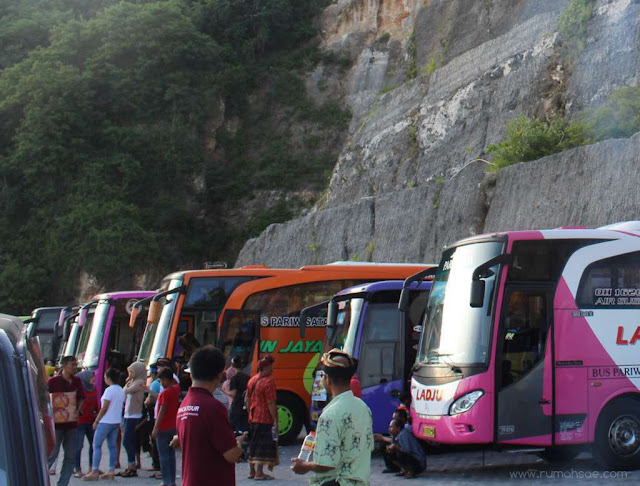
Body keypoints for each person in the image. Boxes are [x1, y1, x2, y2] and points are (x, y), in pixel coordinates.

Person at [291, 349, 373, 486]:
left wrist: (305, 466)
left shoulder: (329, 415)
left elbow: (326, 464)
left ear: (327, 379)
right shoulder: (364, 408)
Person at [176, 345, 246, 486]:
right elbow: (231, 454)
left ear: (191, 374)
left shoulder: (184, 405)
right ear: (219, 375)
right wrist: (239, 444)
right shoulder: (213, 407)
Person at [47, 355, 85, 486]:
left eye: (75, 365)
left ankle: (62, 483)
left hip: (72, 424)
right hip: (56, 425)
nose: (75, 367)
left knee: (70, 455)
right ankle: (40, 478)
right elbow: (44, 399)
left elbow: (81, 398)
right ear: (63, 366)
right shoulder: (53, 382)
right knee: (52, 453)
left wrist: (78, 409)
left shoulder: (77, 381)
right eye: (72, 365)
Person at [83, 368, 125, 481]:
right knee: (112, 446)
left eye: (105, 377)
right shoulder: (121, 390)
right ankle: (111, 470)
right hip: (116, 421)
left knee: (96, 445)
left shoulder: (108, 391)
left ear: (109, 378)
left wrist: (96, 420)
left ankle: (95, 470)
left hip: (106, 421)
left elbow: (104, 407)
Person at [247, 355, 278, 480]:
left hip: (253, 416)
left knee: (253, 444)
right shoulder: (268, 382)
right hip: (264, 418)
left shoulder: (251, 381)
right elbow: (271, 403)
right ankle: (259, 473)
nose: (272, 369)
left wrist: (250, 413)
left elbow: (248, 400)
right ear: (266, 367)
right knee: (262, 445)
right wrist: (275, 420)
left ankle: (252, 471)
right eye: (271, 366)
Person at [152, 368, 180, 486]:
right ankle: (172, 481)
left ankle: (166, 481)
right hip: (173, 426)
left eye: (162, 380)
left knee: (163, 456)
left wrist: (155, 428)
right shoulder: (176, 389)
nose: (161, 383)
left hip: (162, 427)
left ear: (166, 380)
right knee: (171, 456)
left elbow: (162, 411)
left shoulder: (165, 392)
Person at [121, 362, 147, 477]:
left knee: (127, 440)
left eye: (132, 372)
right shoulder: (132, 382)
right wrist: (128, 381)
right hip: (128, 414)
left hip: (134, 415)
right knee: (127, 440)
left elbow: (125, 391)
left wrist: (128, 382)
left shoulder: (140, 382)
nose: (130, 374)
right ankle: (130, 464)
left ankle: (132, 465)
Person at [74, 371, 98, 478]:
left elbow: (96, 404)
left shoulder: (93, 388)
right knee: (78, 446)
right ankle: (77, 469)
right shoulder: (79, 390)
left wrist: (98, 416)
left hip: (91, 421)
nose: (93, 378)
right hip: (79, 422)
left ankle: (92, 467)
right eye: (91, 377)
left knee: (94, 444)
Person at [226, 356, 250, 434]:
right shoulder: (248, 377)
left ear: (232, 366)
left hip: (236, 407)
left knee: (233, 429)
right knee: (244, 429)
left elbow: (233, 394)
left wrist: (224, 391)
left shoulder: (234, 378)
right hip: (246, 405)